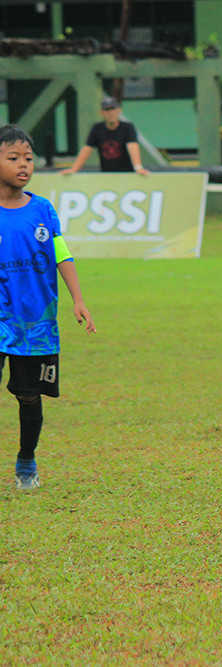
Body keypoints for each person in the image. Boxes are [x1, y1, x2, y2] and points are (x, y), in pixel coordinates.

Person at [0, 125, 97, 490]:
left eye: (28, 158)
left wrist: (79, 299)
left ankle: (26, 461)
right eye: (13, 158)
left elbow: (61, 253)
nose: (23, 165)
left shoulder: (42, 209)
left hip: (35, 322)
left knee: (28, 395)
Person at [62, 96, 150, 175]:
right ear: (102, 113)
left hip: (127, 174)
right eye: (107, 110)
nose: (110, 113)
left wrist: (138, 168)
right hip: (106, 175)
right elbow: (87, 149)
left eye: (113, 109)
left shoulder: (127, 127)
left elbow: (132, 146)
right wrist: (74, 169)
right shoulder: (97, 128)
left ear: (119, 110)